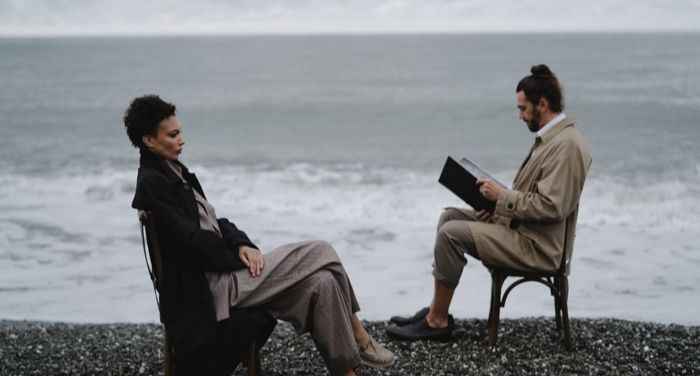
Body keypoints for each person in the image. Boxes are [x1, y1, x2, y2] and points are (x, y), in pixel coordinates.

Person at [125, 95, 395, 375]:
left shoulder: (172, 173)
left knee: (322, 282)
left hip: (224, 276)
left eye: (180, 132)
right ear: (149, 141)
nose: (182, 140)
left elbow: (215, 221)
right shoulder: (153, 184)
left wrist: (242, 243)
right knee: (321, 250)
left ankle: (346, 373)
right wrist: (237, 258)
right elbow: (192, 242)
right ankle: (360, 336)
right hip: (214, 290)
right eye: (173, 134)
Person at [386, 64, 592, 340]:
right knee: (449, 218)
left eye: (523, 108)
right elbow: (535, 198)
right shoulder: (551, 141)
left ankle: (436, 322)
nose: (520, 116)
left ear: (542, 104)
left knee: (451, 235)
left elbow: (553, 207)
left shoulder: (567, 146)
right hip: (522, 230)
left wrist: (501, 198)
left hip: (538, 247)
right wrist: (498, 209)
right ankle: (438, 309)